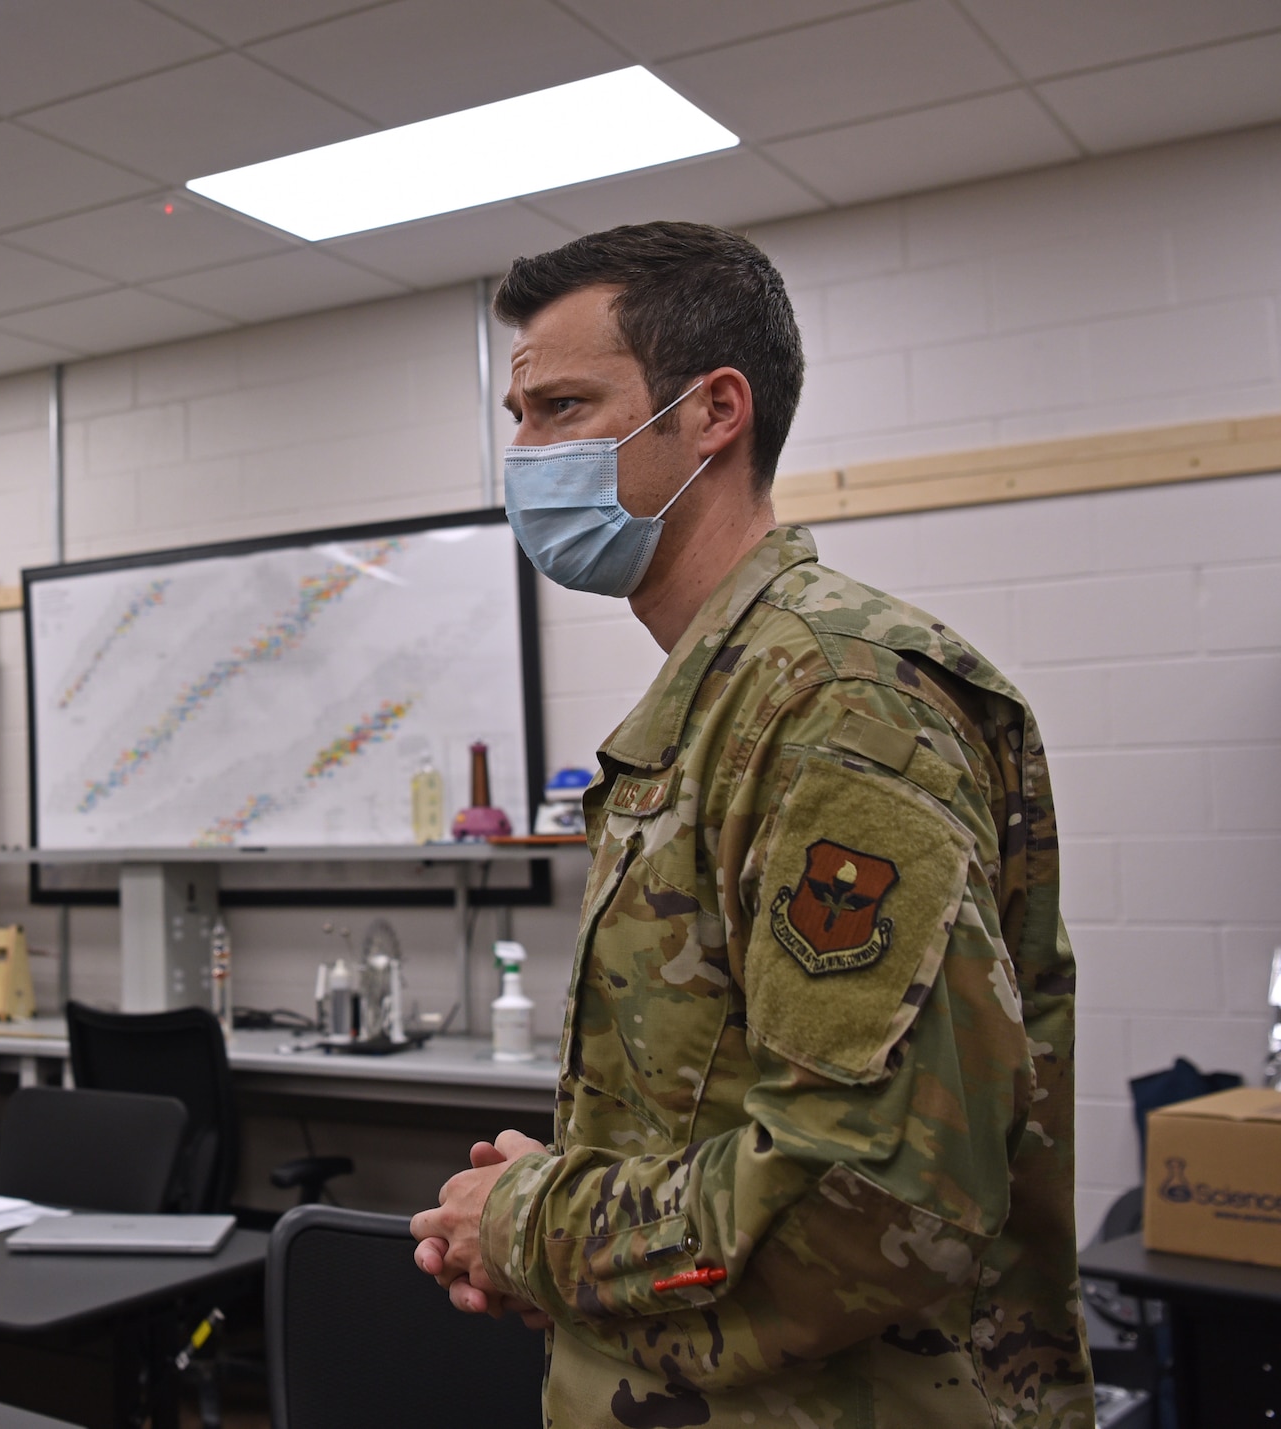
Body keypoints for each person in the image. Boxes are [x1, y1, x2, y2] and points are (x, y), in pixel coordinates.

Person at [410, 222, 1090, 1427]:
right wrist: (554, 1245)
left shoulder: (834, 702)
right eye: (516, 418)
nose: (523, 455)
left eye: (562, 406)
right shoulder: (721, 697)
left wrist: (524, 1222)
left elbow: (870, 1203)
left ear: (714, 411)